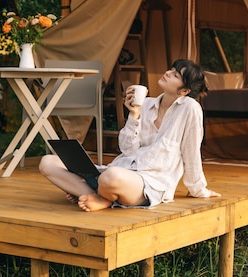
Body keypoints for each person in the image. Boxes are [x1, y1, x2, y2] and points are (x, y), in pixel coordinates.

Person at [39, 59, 221, 212]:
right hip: (121, 170)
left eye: (175, 75)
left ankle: (92, 194)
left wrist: (198, 189)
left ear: (184, 91)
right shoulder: (147, 104)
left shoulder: (190, 109)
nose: (167, 73)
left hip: (149, 183)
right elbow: (127, 150)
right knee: (48, 162)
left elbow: (191, 152)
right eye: (170, 69)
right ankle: (96, 195)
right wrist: (134, 115)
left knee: (111, 177)